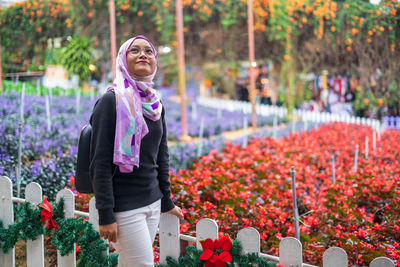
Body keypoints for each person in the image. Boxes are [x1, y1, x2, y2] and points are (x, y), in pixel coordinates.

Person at [89, 35, 184, 266]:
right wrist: (106, 214)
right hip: (124, 207)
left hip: (151, 202)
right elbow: (99, 163)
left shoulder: (155, 104)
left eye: (149, 51)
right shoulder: (111, 101)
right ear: (123, 59)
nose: (143, 54)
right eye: (135, 51)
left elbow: (161, 155)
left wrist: (166, 200)